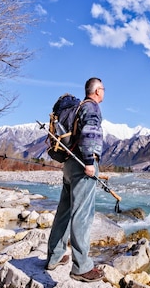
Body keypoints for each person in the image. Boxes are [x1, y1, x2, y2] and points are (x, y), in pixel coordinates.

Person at [45, 77, 106, 282]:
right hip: (83, 165)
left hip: (70, 165)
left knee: (64, 211)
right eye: (103, 89)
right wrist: (90, 162)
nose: (103, 92)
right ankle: (81, 267)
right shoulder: (92, 107)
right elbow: (89, 133)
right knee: (82, 215)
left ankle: (54, 257)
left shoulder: (77, 108)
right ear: (97, 91)